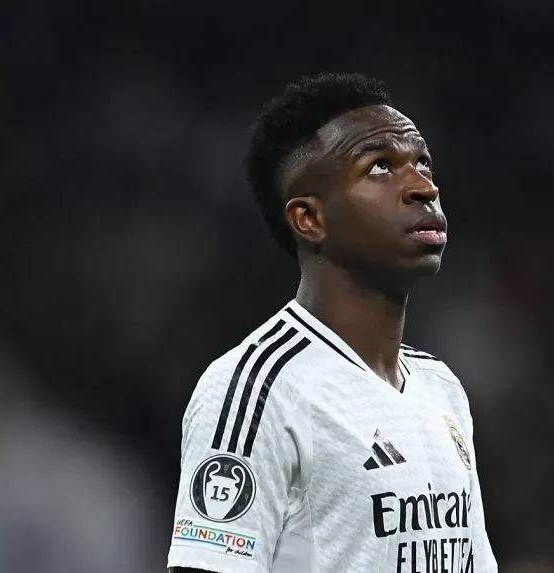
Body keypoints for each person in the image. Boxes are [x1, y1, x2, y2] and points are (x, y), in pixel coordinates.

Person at [167, 72, 498, 573]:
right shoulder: (258, 388)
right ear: (310, 219)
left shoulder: (442, 389)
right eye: (381, 167)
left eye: (422, 162)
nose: (424, 187)